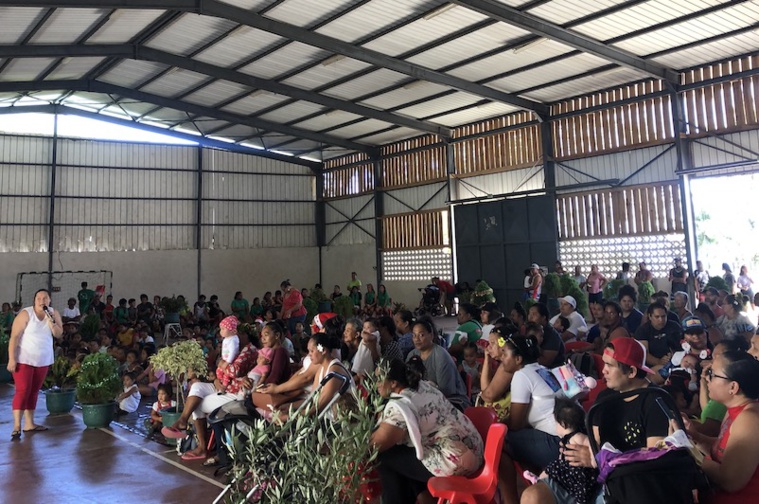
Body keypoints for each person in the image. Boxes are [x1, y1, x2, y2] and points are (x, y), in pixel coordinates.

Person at [521, 338, 670, 504]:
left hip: (628, 485)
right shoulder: (605, 397)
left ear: (632, 372)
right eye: (604, 363)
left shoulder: (656, 403)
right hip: (590, 478)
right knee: (532, 496)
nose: (603, 371)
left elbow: (655, 459)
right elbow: (594, 441)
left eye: (610, 365)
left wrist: (598, 460)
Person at [371, 357, 484, 504]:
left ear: (393, 383)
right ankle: (422, 496)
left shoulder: (401, 406)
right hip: (474, 446)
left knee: (384, 456)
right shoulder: (423, 385)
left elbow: (377, 444)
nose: (376, 384)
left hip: (457, 460)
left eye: (379, 379)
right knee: (402, 456)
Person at [685, 350, 759, 502]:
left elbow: (731, 481)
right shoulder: (733, 410)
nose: (706, 378)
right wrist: (696, 437)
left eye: (712, 374)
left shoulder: (749, 419)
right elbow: (724, 450)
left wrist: (692, 452)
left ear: (733, 387)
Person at [495, 331, 560, 504]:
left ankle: (510, 500)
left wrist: (497, 423)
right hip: (567, 441)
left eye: (505, 354)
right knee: (518, 441)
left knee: (498, 442)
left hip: (554, 443)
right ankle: (533, 485)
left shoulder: (521, 375)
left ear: (518, 359)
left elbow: (516, 424)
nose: (501, 358)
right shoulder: (543, 370)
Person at [7, 288, 63, 439]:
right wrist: (11, 359)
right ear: (34, 300)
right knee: (23, 390)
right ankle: (17, 425)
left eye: (45, 298)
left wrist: (51, 321)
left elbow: (58, 334)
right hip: (24, 359)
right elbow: (14, 337)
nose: (42, 301)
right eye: (39, 298)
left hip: (43, 360)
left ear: (49, 300)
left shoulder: (53, 313)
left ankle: (29, 424)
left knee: (34, 391)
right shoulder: (26, 314)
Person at [526, 397, 599, 504]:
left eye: (556, 423)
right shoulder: (565, 440)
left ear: (563, 424)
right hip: (566, 469)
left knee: (581, 488)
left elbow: (591, 444)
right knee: (553, 467)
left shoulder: (577, 436)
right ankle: (538, 479)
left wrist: (594, 461)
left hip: (579, 473)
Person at [407, 317, 469, 411]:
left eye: (421, 335)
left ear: (431, 335)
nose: (416, 339)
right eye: (414, 335)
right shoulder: (412, 355)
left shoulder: (440, 356)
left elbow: (446, 391)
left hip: (451, 401)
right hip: (424, 399)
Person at [528, 303, 566, 368]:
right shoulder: (529, 330)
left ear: (543, 317)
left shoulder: (552, 336)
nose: (530, 317)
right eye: (529, 314)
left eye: (534, 314)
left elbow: (546, 362)